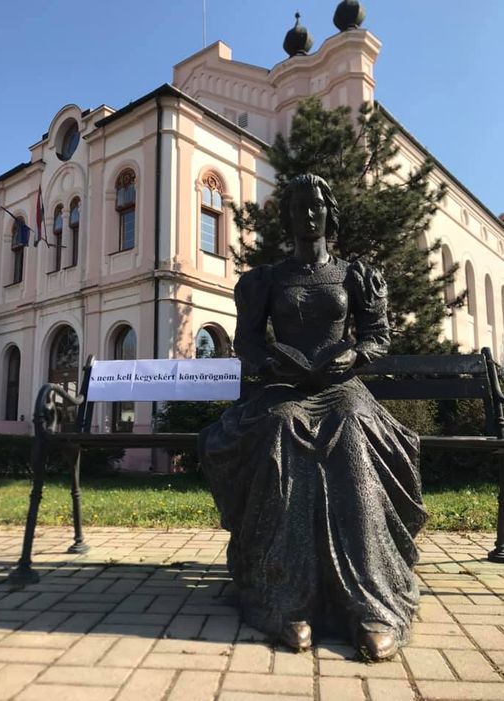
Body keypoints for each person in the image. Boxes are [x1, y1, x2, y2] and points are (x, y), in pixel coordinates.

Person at [199, 174, 426, 659]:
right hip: (286, 388)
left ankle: (369, 606)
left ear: (329, 213)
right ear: (287, 217)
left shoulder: (354, 275)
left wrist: (355, 355)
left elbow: (378, 335)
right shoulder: (267, 280)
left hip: (340, 388)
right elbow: (247, 341)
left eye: (316, 206)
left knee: (350, 429)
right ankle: (286, 600)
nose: (308, 215)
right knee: (282, 428)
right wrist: (269, 363)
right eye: (299, 207)